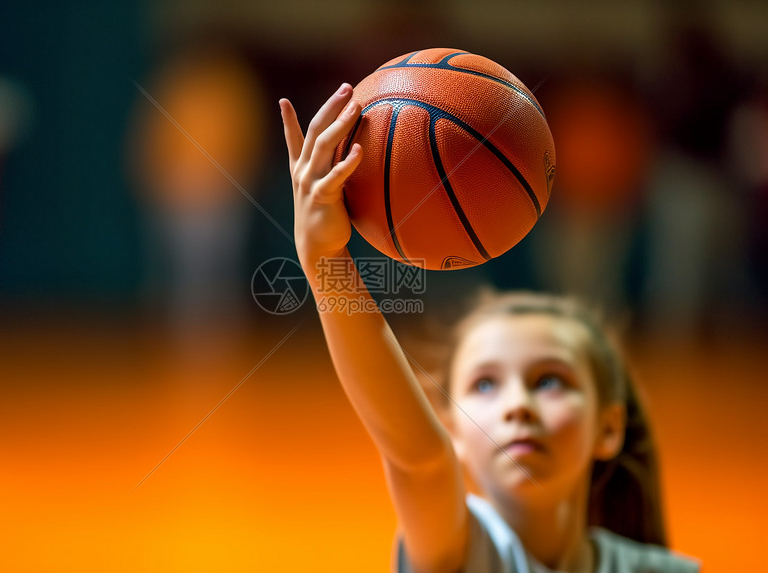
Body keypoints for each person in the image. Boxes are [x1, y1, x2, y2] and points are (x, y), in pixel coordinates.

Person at [279, 84, 701, 573]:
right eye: (484, 384)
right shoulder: (464, 554)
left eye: (549, 380)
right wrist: (326, 259)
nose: (517, 406)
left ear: (609, 426)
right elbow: (418, 458)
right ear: (451, 429)